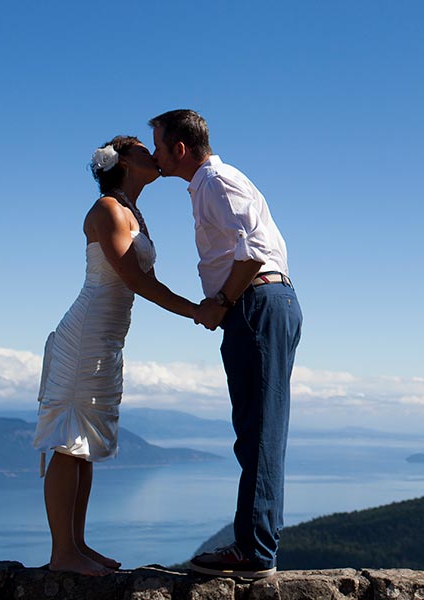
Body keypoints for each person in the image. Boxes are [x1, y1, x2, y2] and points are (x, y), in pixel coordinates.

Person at [32, 135, 203, 576]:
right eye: (145, 150)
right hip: (86, 334)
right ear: (125, 161)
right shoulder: (108, 209)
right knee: (69, 441)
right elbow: (137, 281)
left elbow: (145, 279)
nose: (155, 155)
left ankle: (77, 546)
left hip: (107, 338)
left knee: (83, 445)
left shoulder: (132, 211)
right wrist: (197, 312)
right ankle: (62, 554)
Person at [148, 109, 302, 579]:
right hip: (258, 304)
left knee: (259, 430)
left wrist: (219, 301)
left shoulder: (216, 181)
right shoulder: (209, 185)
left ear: (179, 149)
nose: (154, 155)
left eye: (158, 145)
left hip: (254, 303)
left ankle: (254, 553)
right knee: (257, 427)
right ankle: (254, 546)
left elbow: (252, 250)